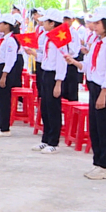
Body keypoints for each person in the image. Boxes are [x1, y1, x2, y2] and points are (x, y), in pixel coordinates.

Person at [67, 7, 106, 179]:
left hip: (104, 89)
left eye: (98, 23)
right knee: (95, 127)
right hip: (94, 87)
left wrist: (103, 93)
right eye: (94, 23)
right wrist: (74, 62)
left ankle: (105, 166)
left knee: (104, 127)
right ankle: (97, 162)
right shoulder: (97, 43)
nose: (94, 26)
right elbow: (89, 66)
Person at [31, 9, 66, 154]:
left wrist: (58, 82)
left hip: (54, 76)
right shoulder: (47, 37)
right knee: (44, 107)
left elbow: (61, 62)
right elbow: (45, 57)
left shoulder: (60, 39)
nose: (43, 23)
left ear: (52, 23)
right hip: (45, 72)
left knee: (53, 109)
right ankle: (45, 139)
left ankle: (54, 141)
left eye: (46, 21)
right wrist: (34, 54)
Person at [0, 14, 22, 137]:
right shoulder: (3, 39)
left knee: (4, 99)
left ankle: (5, 127)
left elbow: (10, 60)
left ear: (7, 26)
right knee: (0, 98)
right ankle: (1, 125)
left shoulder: (11, 41)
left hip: (4, 70)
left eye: (2, 24)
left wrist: (4, 75)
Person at [61, 10, 81, 101]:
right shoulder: (61, 32)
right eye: (64, 19)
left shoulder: (74, 33)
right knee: (64, 86)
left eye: (67, 19)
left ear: (72, 20)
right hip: (63, 61)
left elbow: (75, 49)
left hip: (72, 61)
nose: (66, 21)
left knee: (72, 86)